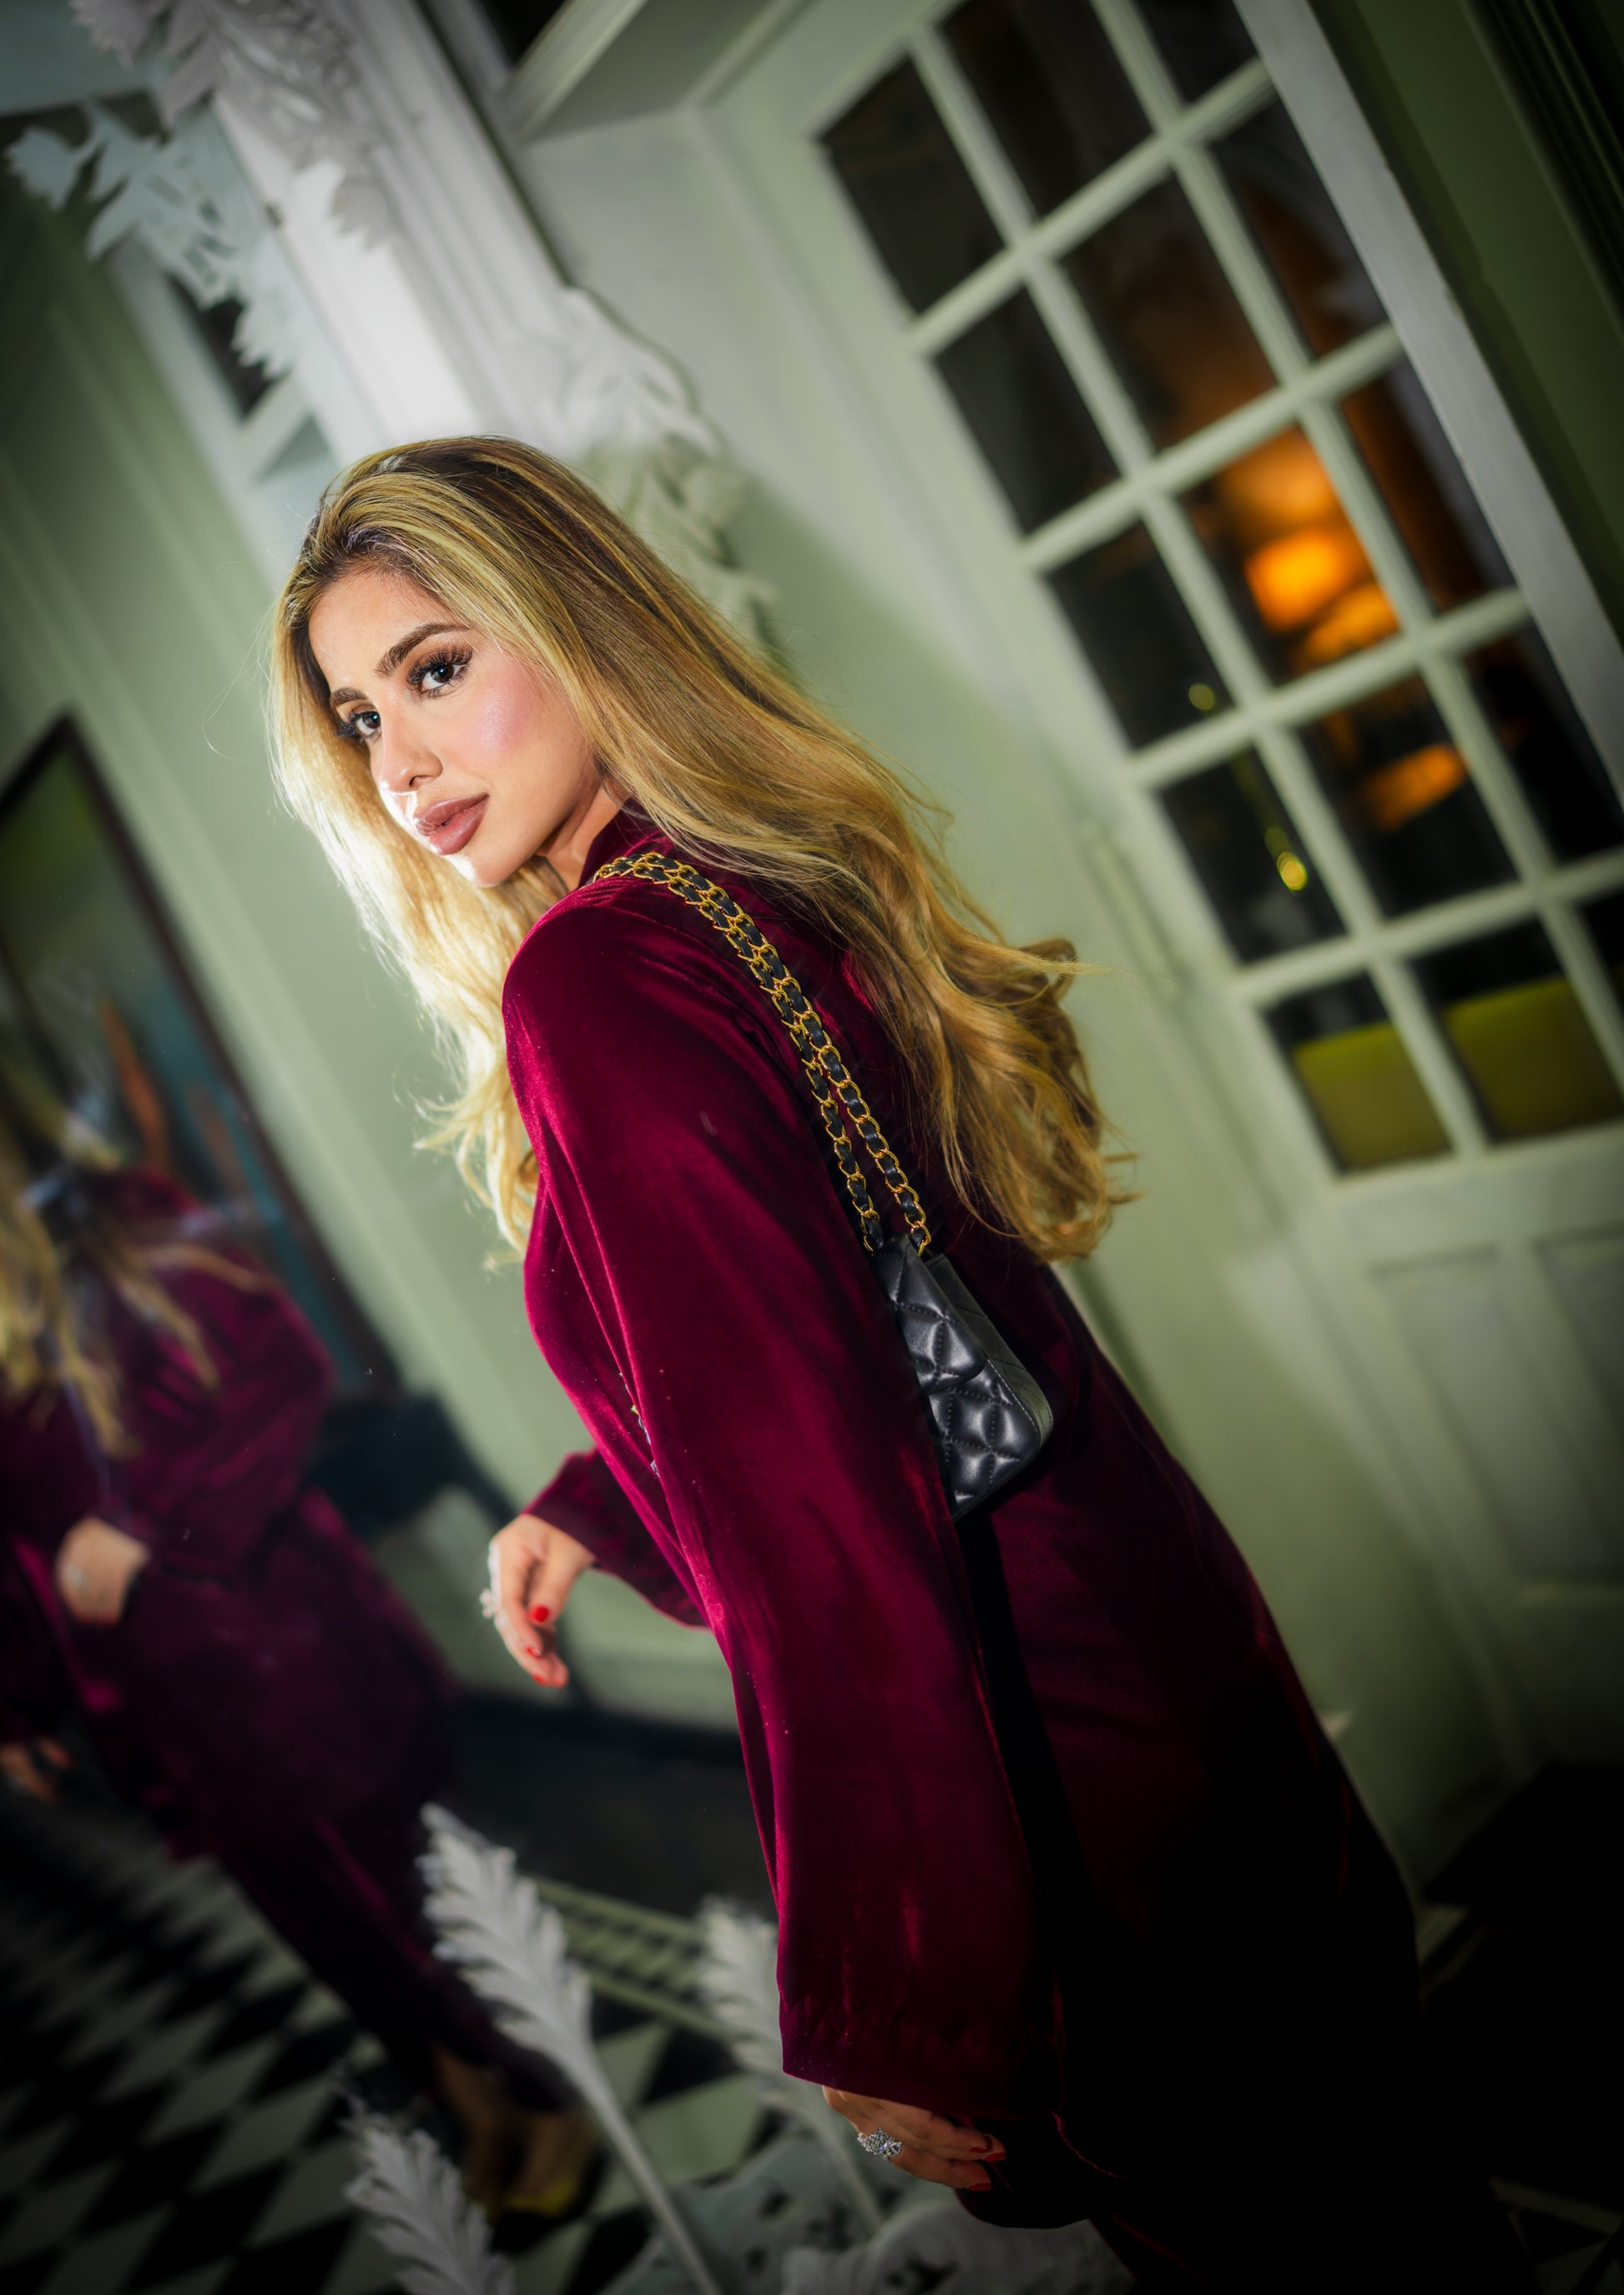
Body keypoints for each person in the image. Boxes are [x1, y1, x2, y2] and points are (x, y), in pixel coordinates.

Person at [271, 436, 1532, 2291]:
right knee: (1390, 2200)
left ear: (578, 620)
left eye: (437, 667)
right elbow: (847, 1329)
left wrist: (899, 1974)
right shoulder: (762, 876)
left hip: (1039, 1750)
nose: (403, 762)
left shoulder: (599, 975)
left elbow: (817, 1502)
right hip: (1161, 1637)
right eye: (362, 718)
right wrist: (599, 1500)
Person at [0, 1105, 593, 2218]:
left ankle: (547, 2093)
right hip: (158, 1707)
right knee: (320, 1924)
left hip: (287, 1649)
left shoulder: (128, 1224)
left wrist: (147, 1522)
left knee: (410, 1894)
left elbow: (287, 1376)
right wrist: (16, 1702)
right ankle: (468, 2100)